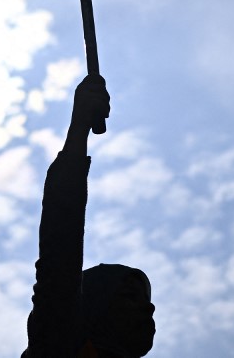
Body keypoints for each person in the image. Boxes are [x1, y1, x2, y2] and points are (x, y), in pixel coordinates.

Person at [22, 75, 156, 357]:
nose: (149, 308)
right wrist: (79, 128)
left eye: (143, 299)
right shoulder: (58, 343)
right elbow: (61, 244)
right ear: (93, 307)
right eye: (129, 296)